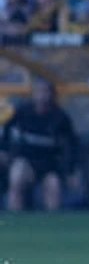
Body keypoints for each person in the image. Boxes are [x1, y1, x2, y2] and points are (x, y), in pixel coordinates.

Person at [5, 80, 77, 212]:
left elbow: (71, 144)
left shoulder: (60, 117)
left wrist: (70, 171)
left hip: (49, 164)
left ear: (52, 95)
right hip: (26, 160)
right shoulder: (23, 112)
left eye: (46, 91)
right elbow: (6, 130)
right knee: (17, 177)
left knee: (53, 186)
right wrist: (4, 151)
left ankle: (52, 221)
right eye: (38, 91)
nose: (42, 96)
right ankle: (14, 216)